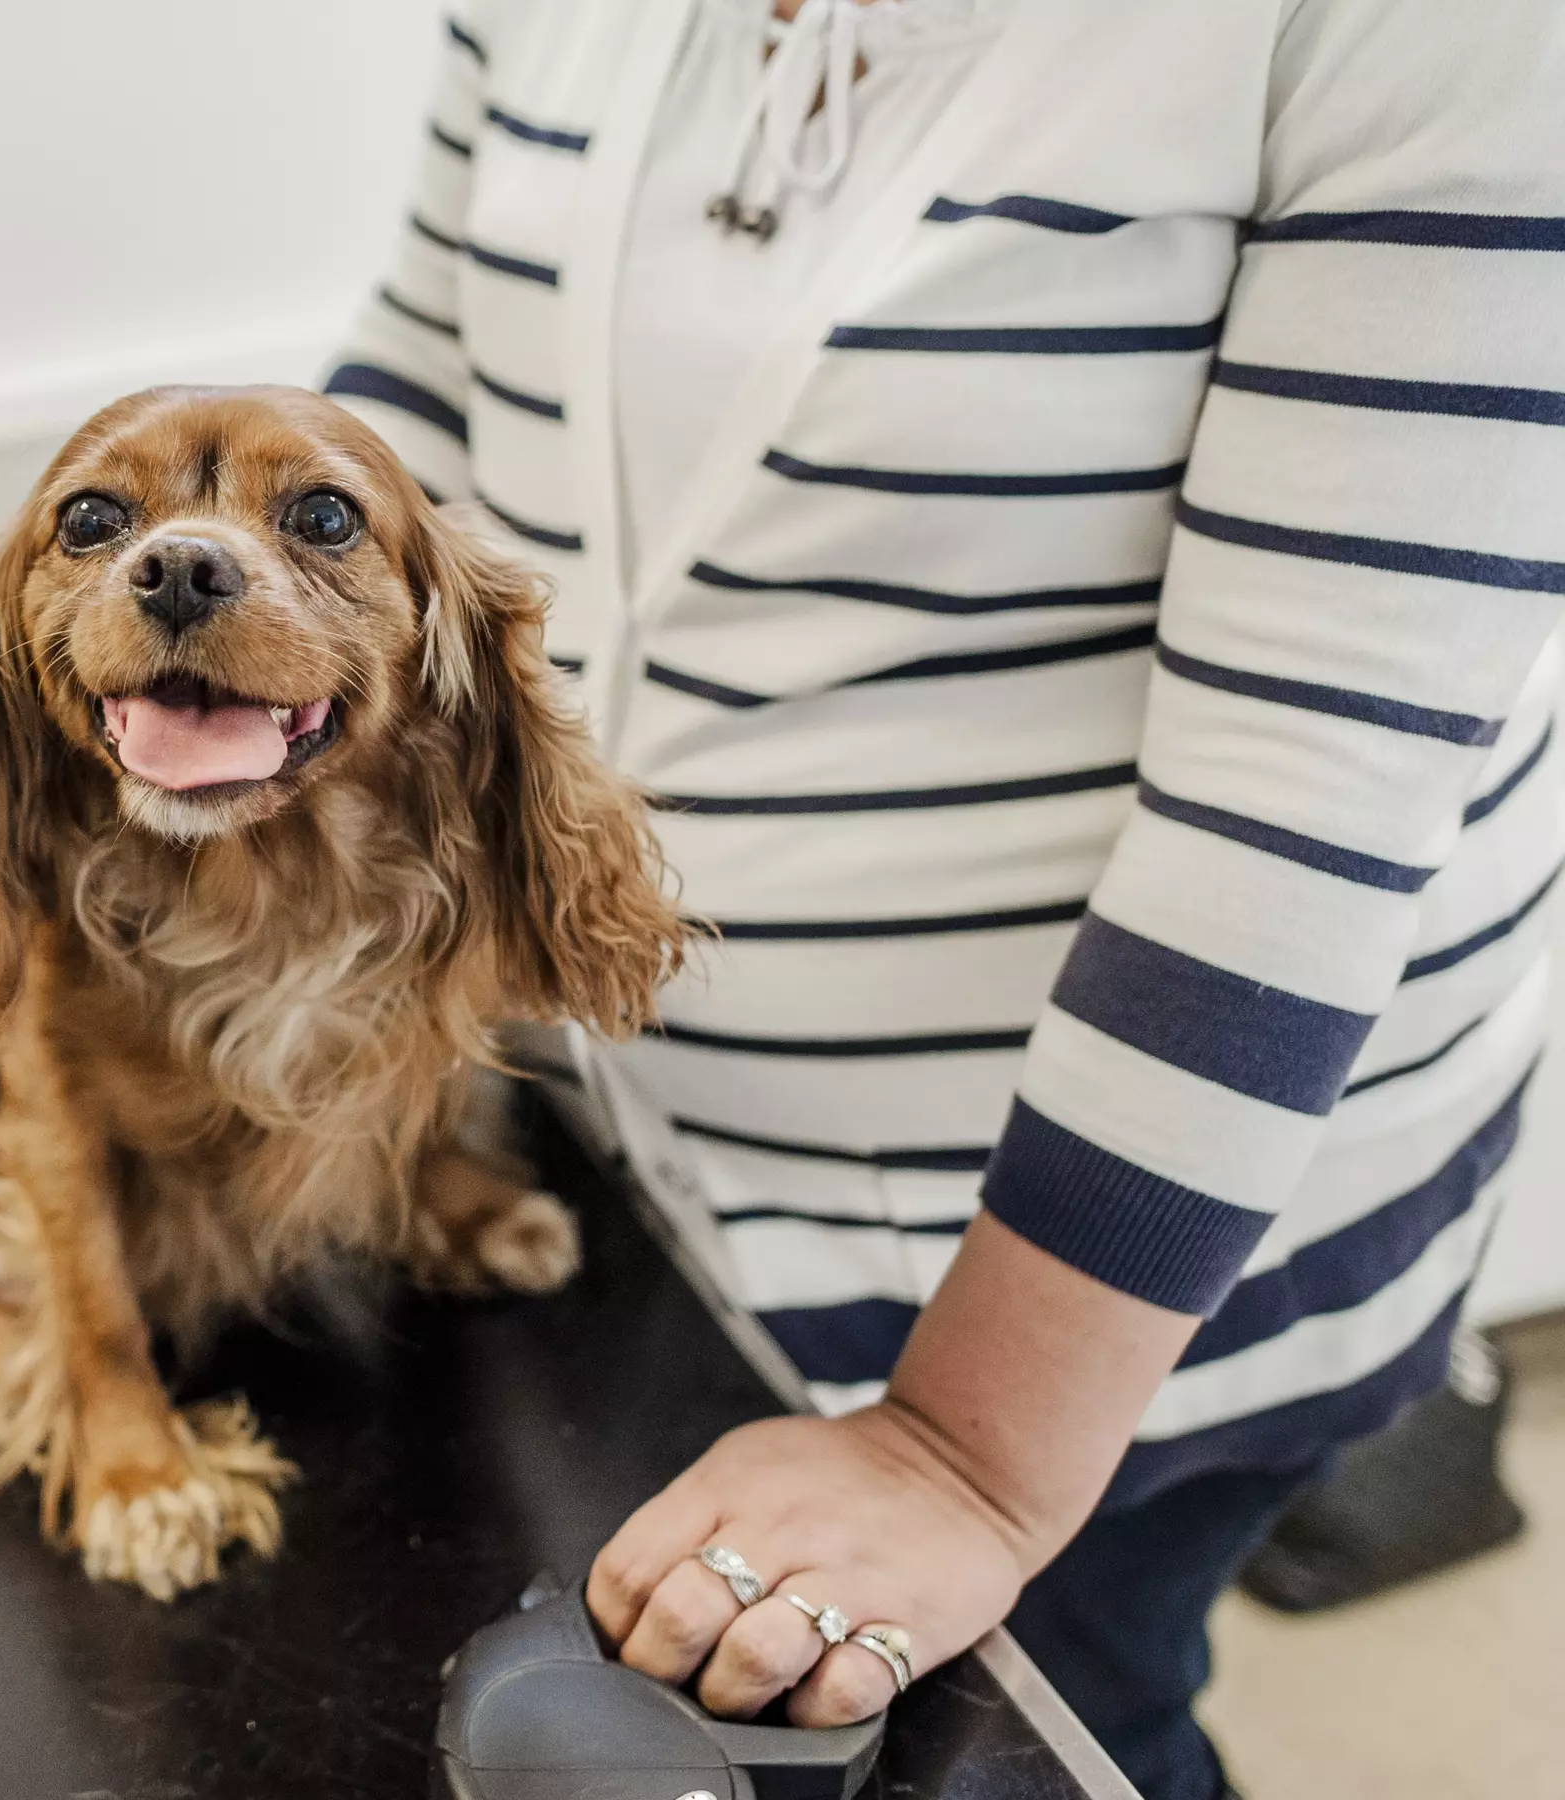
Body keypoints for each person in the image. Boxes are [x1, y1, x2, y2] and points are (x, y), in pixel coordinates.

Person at [322, 2, 1562, 1795]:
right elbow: (423, 397)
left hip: (1105, 1296)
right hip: (661, 1172)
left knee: (1067, 1732)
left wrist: (966, 1455)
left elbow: (1304, 801)